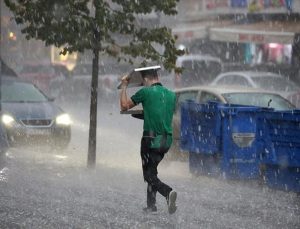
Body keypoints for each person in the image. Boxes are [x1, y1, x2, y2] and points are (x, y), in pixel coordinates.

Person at [119, 67, 177, 214]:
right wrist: (147, 114)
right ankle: (151, 206)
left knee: (148, 175)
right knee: (152, 171)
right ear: (157, 76)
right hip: (166, 141)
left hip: (150, 140)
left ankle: (168, 192)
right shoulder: (171, 95)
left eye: (143, 82)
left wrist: (124, 86)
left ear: (145, 79)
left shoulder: (145, 92)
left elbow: (124, 106)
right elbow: (160, 114)